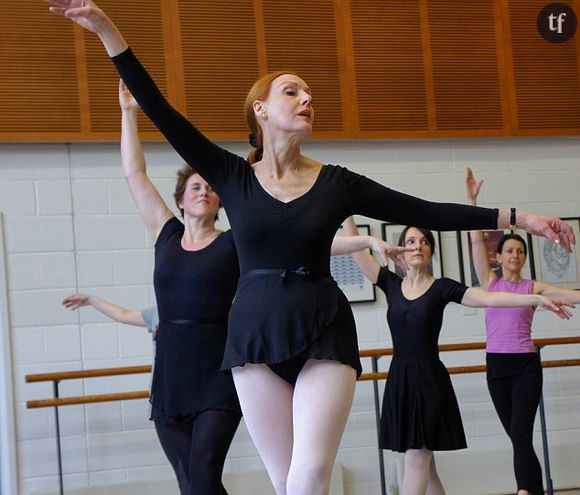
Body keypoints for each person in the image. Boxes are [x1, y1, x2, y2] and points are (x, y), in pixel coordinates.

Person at [45, 4, 576, 494]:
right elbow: (160, 110)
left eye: (309, 95)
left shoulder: (336, 182)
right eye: (293, 92)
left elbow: (426, 210)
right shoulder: (232, 176)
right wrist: (104, 27)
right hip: (253, 336)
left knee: (312, 470)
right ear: (261, 109)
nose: (307, 100)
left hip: (322, 327)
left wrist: (519, 218)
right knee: (290, 482)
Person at [342, 217, 572, 495]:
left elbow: (490, 299)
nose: (418, 246)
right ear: (400, 248)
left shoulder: (441, 288)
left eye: (425, 242)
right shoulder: (390, 284)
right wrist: (347, 212)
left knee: (417, 459)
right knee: (427, 470)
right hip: (400, 379)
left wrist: (535, 299)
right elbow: (357, 252)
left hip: (428, 381)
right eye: (411, 241)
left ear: (431, 251)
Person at [466, 167, 580, 495]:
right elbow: (475, 239)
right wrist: (472, 201)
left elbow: (571, 296)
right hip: (496, 368)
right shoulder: (490, 283)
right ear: (498, 257)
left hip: (525, 367)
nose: (515, 255)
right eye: (509, 251)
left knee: (519, 437)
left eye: (520, 251)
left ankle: (523, 491)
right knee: (520, 441)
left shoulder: (534, 286)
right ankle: (535, 489)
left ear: (524, 258)